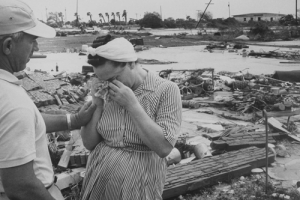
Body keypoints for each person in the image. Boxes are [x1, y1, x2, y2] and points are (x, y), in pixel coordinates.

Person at [0, 0, 96, 199]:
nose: (36, 46)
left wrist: (73, 120)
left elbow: (21, 124)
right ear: (8, 45)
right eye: (32, 39)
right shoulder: (11, 101)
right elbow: (22, 187)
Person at [80, 35, 182, 200]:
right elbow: (89, 143)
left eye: (114, 78)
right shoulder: (104, 90)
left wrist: (132, 105)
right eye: (101, 79)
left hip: (141, 181)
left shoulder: (166, 90)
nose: (108, 84)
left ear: (132, 63)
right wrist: (97, 105)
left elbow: (163, 148)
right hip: (99, 175)